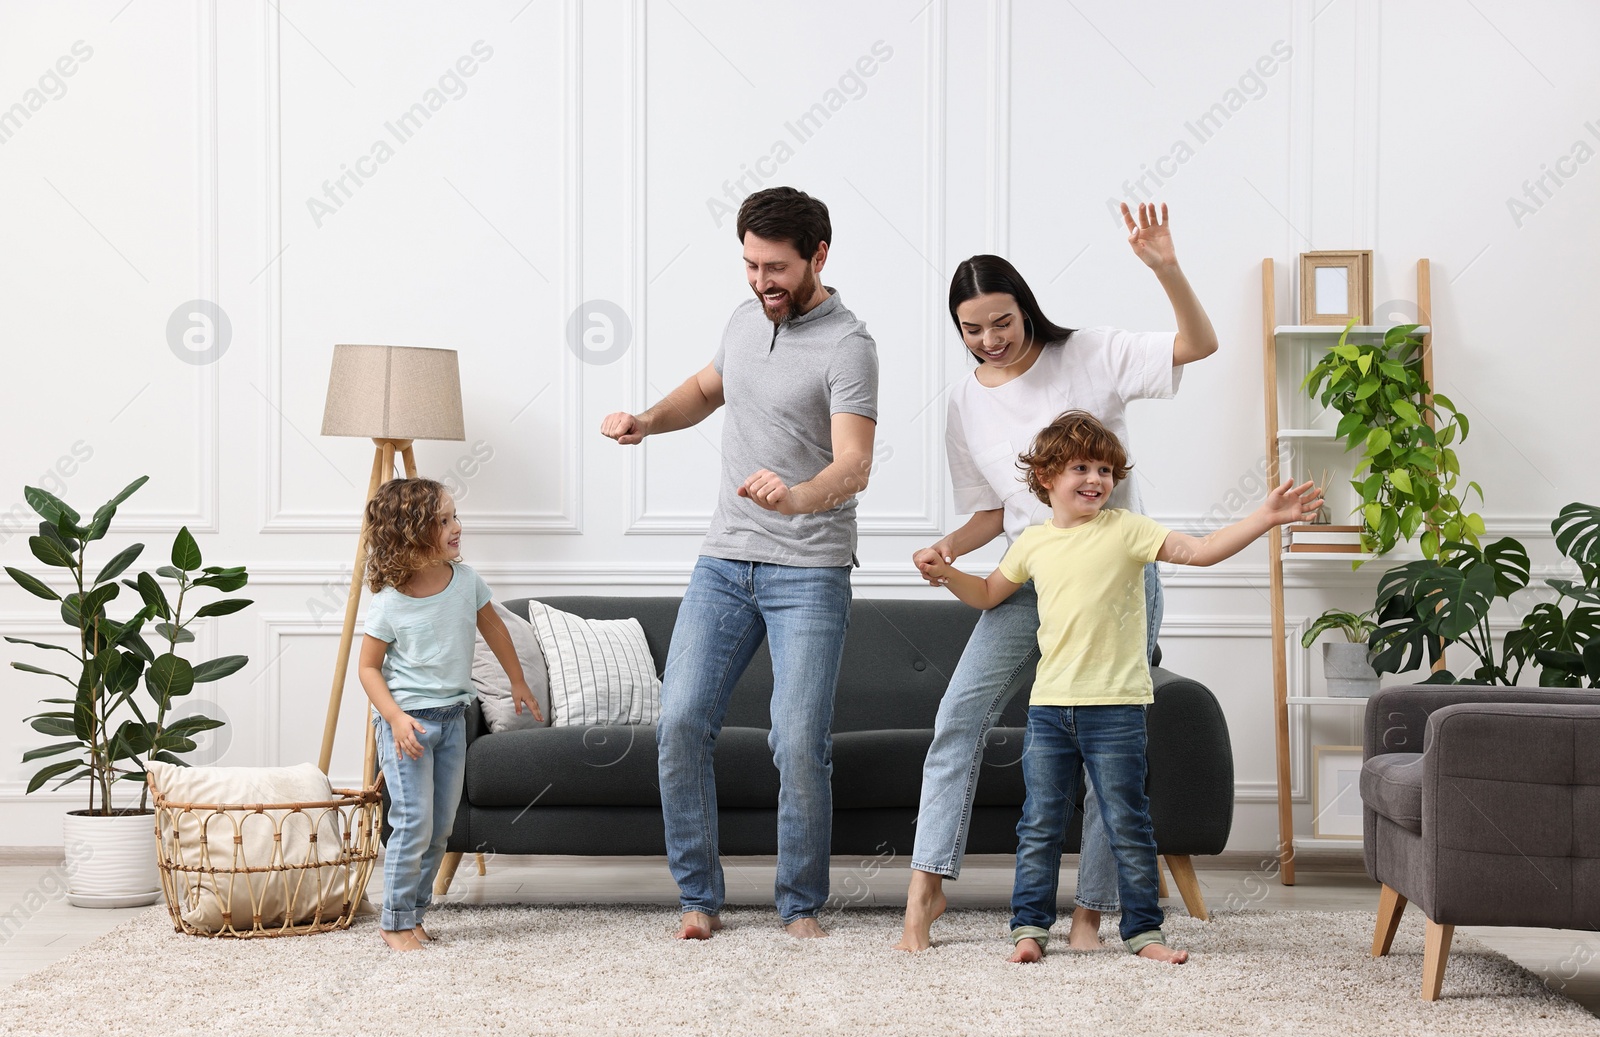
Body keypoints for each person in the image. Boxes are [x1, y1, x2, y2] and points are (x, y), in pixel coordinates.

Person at [897, 202, 1218, 952]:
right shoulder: (965, 400)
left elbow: (1197, 345)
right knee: (959, 715)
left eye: (1001, 321)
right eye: (972, 329)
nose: (990, 338)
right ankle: (925, 889)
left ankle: (1089, 913)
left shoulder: (1090, 352)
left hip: (1116, 578)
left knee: (1114, 742)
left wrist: (1165, 266)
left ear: (1025, 307)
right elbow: (990, 512)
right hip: (1027, 575)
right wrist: (944, 549)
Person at [925, 410, 1322, 963]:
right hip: (1049, 710)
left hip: (1116, 709)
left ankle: (1143, 933)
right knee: (1038, 823)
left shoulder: (1128, 531)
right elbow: (988, 594)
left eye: (1106, 470)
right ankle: (1029, 931)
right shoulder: (1032, 544)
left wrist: (1264, 516)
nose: (1096, 479)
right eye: (1081, 467)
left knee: (1127, 821)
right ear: (1045, 477)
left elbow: (1201, 551)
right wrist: (947, 574)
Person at [600, 187, 878, 940]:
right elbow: (705, 389)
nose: (762, 281)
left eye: (778, 267)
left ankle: (799, 904)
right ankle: (697, 896)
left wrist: (796, 498)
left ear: (819, 256)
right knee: (683, 721)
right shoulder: (744, 319)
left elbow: (854, 464)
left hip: (809, 570)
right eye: (752, 265)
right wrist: (647, 422)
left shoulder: (849, 346)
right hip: (725, 562)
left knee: (796, 738)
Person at [357, 478, 542, 951]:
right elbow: (368, 668)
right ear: (412, 531)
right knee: (413, 820)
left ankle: (414, 914)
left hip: (454, 719)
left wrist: (518, 681)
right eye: (442, 520)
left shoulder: (466, 582)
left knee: (441, 826)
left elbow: (496, 629)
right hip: (408, 725)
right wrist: (395, 718)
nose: (456, 527)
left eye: (455, 516)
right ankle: (394, 920)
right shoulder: (389, 601)